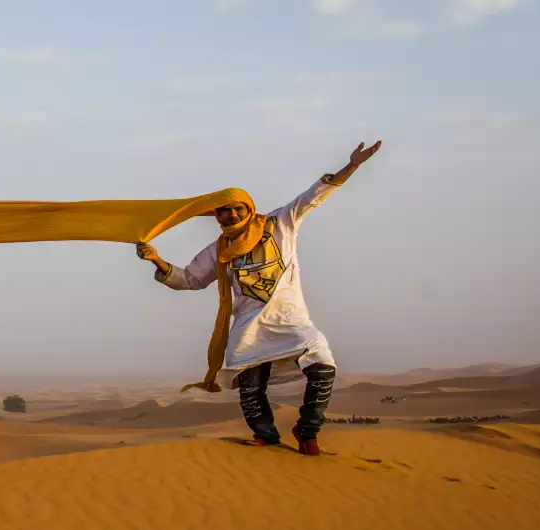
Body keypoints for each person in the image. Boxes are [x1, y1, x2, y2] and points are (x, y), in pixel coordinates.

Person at [136, 142, 382, 455]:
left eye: (238, 208)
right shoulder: (218, 250)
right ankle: (265, 435)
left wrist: (352, 166)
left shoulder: (280, 224)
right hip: (248, 326)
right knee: (251, 388)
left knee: (323, 368)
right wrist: (156, 260)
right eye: (224, 211)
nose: (232, 214)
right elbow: (190, 279)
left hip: (291, 321)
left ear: (249, 209)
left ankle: (307, 430)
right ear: (217, 217)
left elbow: (315, 197)